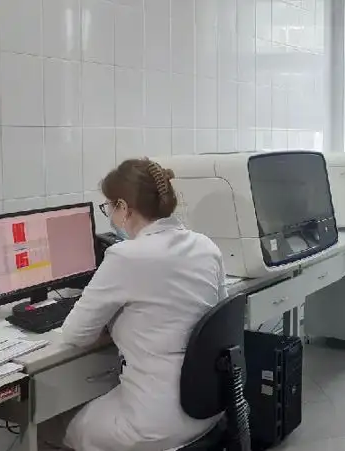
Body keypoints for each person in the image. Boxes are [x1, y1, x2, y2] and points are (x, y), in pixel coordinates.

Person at [58, 158, 227, 450]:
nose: (111, 215)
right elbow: (214, 319)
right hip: (209, 407)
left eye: (109, 207)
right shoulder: (206, 246)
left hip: (156, 421)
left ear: (124, 207)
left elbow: (75, 335)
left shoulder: (125, 257)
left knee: (62, 426)